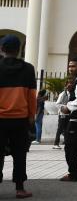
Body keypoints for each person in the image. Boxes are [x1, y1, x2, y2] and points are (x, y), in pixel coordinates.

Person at [0, 35, 36, 198]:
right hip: (20, 119)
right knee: (20, 154)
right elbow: (31, 96)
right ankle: (20, 188)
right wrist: (31, 118)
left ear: (2, 49)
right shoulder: (28, 69)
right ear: (19, 50)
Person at [53, 80, 72, 149]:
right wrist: (63, 107)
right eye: (68, 85)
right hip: (62, 114)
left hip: (69, 115)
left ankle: (67, 143)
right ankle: (56, 143)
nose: (70, 86)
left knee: (67, 129)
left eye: (71, 85)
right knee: (60, 129)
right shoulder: (63, 94)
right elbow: (57, 104)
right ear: (66, 86)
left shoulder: (72, 94)